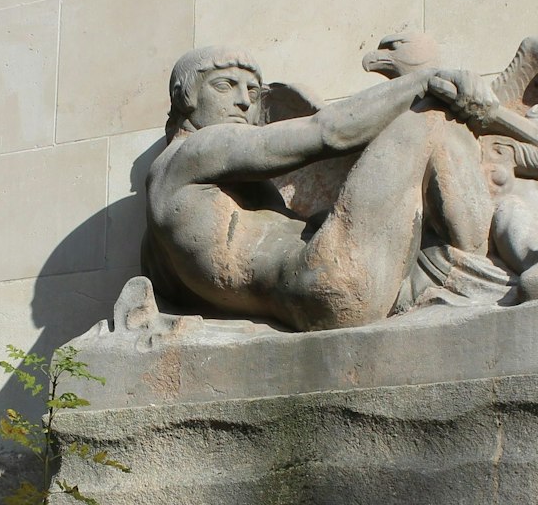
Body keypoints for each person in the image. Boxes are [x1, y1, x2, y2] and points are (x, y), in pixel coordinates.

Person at [141, 46, 493, 331]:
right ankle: (479, 268)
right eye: (224, 86)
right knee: (429, 120)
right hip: (331, 281)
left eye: (251, 90)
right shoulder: (195, 151)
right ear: (185, 97)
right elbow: (328, 131)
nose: (244, 102)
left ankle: (474, 269)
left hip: (319, 294)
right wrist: (425, 81)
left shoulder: (177, 198)